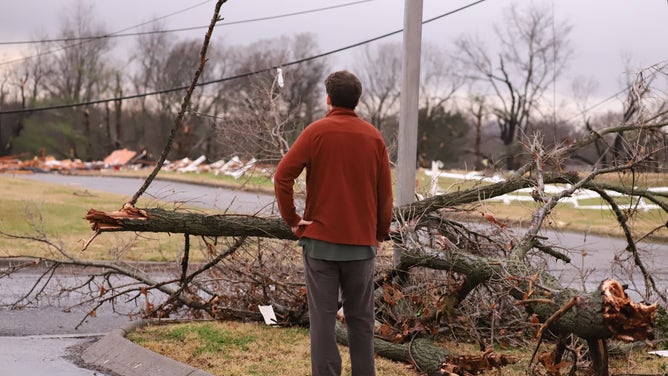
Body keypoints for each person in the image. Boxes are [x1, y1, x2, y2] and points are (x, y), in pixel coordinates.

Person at [274, 70, 394, 376]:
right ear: (358, 100)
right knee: (361, 321)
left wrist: (294, 220)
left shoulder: (316, 132)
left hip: (320, 245)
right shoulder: (374, 137)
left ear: (328, 99)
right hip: (360, 246)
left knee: (323, 322)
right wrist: (379, 234)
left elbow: (282, 176)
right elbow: (385, 195)